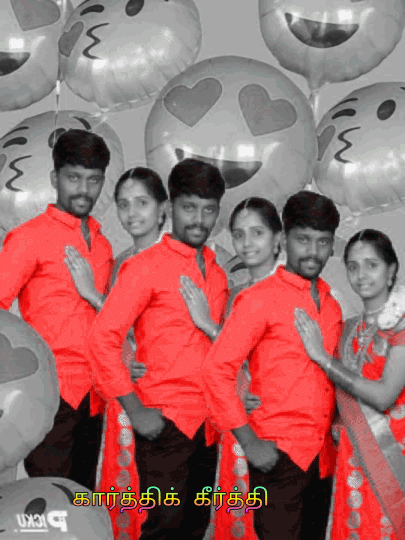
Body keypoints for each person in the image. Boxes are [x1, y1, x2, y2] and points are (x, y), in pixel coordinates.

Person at [87, 158, 228, 539]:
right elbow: (102, 338)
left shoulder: (216, 273)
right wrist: (135, 410)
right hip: (165, 422)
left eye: (209, 209)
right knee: (163, 529)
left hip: (208, 426)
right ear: (170, 207)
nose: (198, 219)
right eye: (189, 207)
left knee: (195, 527)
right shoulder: (145, 266)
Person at [202, 190, 342, 540]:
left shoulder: (331, 306)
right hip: (277, 454)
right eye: (303, 240)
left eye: (323, 242)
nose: (313, 252)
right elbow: (216, 371)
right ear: (284, 239)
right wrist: (249, 442)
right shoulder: (258, 299)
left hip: (323, 459)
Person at [0, 129, 112, 490]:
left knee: (83, 501)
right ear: (54, 179)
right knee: (48, 501)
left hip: (94, 396)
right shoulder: (27, 238)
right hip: (49, 393)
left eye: (93, 179)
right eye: (73, 177)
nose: (84, 189)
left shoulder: (103, 244)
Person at [64, 167, 167, 539]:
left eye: (141, 203)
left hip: (167, 393)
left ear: (162, 208)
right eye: (123, 204)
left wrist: (92, 294)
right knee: (121, 486)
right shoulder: (121, 262)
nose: (131, 213)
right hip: (123, 394)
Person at [180, 196, 283, 540]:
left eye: (257, 233)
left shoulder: (292, 289)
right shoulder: (236, 294)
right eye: (239, 235)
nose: (247, 243)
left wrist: (208, 325)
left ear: (278, 238)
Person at [294, 228, 405, 540]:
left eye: (372, 265)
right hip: (349, 454)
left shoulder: (401, 326)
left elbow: (384, 396)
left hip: (391, 456)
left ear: (391, 270)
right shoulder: (347, 328)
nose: (361, 275)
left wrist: (322, 357)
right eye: (353, 266)